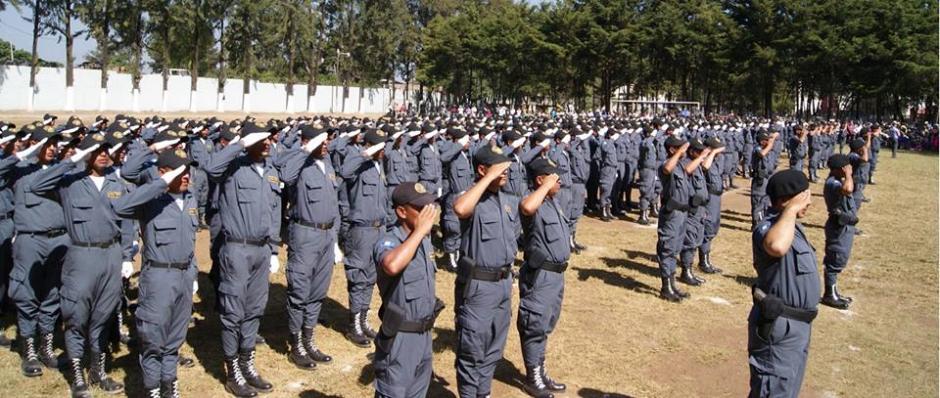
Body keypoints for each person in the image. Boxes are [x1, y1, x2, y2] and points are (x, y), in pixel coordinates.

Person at [30, 133, 130, 397]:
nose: (104, 154)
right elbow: (37, 185)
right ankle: (77, 377)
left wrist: (128, 256)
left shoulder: (115, 182)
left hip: (111, 255)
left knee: (103, 316)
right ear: (85, 155)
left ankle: (98, 373)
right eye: (97, 150)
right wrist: (70, 160)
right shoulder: (69, 182)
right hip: (81, 256)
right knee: (76, 317)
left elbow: (127, 219)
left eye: (106, 150)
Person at [204, 124, 281, 397]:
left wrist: (273, 250)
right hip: (236, 249)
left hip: (261, 251)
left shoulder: (271, 171)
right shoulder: (233, 167)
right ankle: (232, 368)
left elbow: (275, 213)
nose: (269, 142)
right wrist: (238, 143)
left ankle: (247, 362)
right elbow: (211, 168)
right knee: (233, 311)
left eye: (269, 139)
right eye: (261, 140)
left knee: (254, 309)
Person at [111, 149, 194, 398]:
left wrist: (194, 274)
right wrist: (160, 184)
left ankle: (169, 386)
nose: (186, 175)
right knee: (153, 339)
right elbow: (120, 207)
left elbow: (189, 241)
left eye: (188, 170)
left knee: (175, 338)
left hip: (184, 275)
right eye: (180, 171)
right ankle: (152, 390)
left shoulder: (190, 199)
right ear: (163, 173)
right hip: (159, 276)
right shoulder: (151, 201)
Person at [0, 125, 69, 376]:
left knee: (53, 293)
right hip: (30, 240)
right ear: (34, 145)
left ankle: (46, 346)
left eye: (54, 144)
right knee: (26, 294)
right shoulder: (18, 170)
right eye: (46, 144)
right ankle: (28, 348)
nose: (52, 148)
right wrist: (20, 155)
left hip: (59, 239)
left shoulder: (62, 170)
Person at [452, 144, 516, 398]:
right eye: (499, 169)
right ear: (482, 170)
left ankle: (483, 393)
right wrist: (489, 177)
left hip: (502, 284)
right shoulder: (472, 198)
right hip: (479, 287)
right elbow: (460, 209)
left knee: (493, 348)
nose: (505, 173)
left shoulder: (505, 199)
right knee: (472, 350)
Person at [748, 169, 818, 398]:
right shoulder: (768, 227)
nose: (808, 203)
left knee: (786, 391)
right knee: (772, 391)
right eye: (803, 198)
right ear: (784, 201)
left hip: (798, 326)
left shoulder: (792, 227)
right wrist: (792, 209)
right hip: (780, 327)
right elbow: (776, 246)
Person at [372, 182, 442, 398]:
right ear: (402, 212)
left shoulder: (423, 241)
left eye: (430, 206)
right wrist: (420, 231)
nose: (428, 213)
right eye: (421, 209)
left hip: (423, 336)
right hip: (400, 339)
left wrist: (421, 233)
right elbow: (392, 265)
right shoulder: (389, 240)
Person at [277, 126, 337, 369]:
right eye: (320, 141)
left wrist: (336, 239)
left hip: (326, 235)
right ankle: (295, 343)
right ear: (306, 142)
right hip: (304, 234)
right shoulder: (298, 162)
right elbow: (285, 175)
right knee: (300, 290)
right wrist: (304, 150)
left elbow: (335, 203)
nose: (326, 145)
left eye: (327, 141)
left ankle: (308, 338)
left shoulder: (328, 164)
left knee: (317, 291)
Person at [517, 158, 569, 398]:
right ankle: (532, 376)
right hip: (540, 276)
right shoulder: (533, 201)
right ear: (540, 179)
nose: (559, 180)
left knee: (546, 325)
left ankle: (540, 369)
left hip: (556, 276)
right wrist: (545, 187)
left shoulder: (552, 202)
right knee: (534, 325)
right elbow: (526, 208)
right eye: (554, 177)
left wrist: (548, 189)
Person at [338, 128, 388, 348]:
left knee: (371, 277)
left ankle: (363, 318)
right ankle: (353, 324)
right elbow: (344, 172)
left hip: (379, 229)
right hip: (361, 230)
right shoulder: (357, 162)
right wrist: (364, 155)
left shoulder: (379, 166)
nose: (382, 150)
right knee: (358, 277)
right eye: (378, 146)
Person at [656, 136, 696, 302]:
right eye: (679, 148)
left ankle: (672, 285)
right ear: (672, 149)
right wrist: (680, 151)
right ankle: (666, 288)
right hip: (671, 215)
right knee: (667, 249)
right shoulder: (667, 165)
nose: (684, 150)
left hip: (682, 214)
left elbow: (691, 167)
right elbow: (666, 168)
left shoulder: (680, 165)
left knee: (675, 249)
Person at [820, 154, 857, 309]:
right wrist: (848, 175)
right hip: (838, 226)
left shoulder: (837, 181)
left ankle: (833, 292)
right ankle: (830, 295)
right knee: (836, 258)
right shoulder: (833, 183)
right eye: (846, 167)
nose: (849, 169)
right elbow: (848, 189)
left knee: (840, 257)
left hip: (844, 224)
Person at [698, 137, 725, 274]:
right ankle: (704, 262)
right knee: (708, 228)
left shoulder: (715, 160)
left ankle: (706, 259)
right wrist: (712, 152)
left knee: (714, 226)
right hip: (709, 198)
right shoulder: (703, 159)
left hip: (716, 197)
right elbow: (704, 167)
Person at [750, 131, 777, 226]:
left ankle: (763, 221)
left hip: (768, 178)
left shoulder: (768, 151)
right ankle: (756, 224)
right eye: (766, 140)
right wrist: (771, 143)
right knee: (758, 202)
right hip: (759, 180)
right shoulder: (757, 149)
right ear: (761, 141)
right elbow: (762, 154)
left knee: (766, 201)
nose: (768, 142)